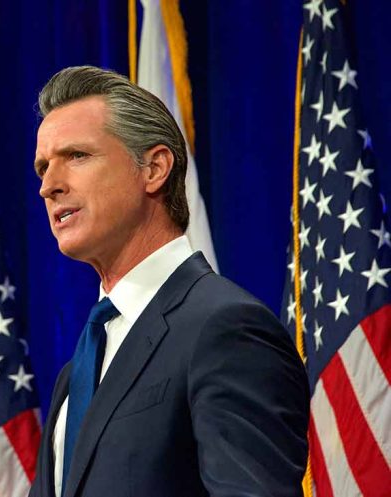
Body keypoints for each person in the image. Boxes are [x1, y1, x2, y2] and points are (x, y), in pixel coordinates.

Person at [28, 66, 309, 497]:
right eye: (43, 167)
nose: (49, 185)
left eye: (77, 156)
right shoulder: (77, 370)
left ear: (154, 168)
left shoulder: (224, 329)